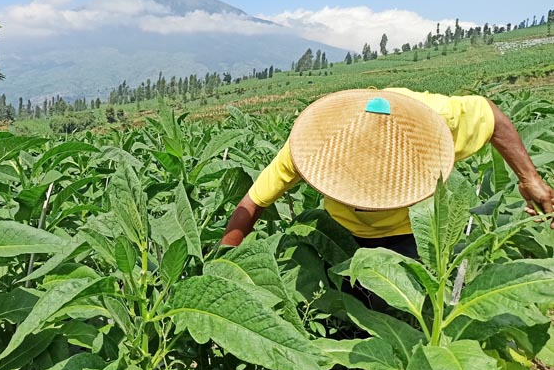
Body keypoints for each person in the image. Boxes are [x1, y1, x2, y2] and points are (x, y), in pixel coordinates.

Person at [222, 88, 554, 254]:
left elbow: (491, 116)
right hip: (341, 236)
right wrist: (228, 262)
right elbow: (251, 204)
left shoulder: (433, 121)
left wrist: (531, 179)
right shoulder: (313, 144)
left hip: (414, 231)